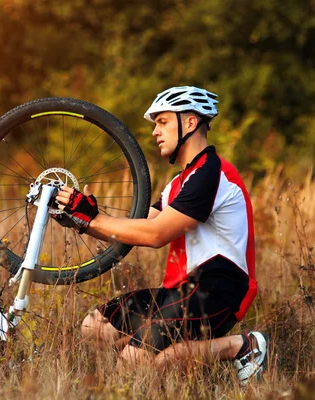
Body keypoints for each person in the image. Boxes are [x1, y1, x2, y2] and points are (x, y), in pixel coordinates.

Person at [54, 86, 268, 385]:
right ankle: (164, 357)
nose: (155, 131)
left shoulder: (211, 174)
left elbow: (156, 235)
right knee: (95, 326)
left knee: (139, 362)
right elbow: (133, 231)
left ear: (190, 123)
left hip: (217, 291)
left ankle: (242, 346)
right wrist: (83, 220)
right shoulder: (179, 183)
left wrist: (95, 218)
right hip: (182, 291)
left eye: (163, 121)